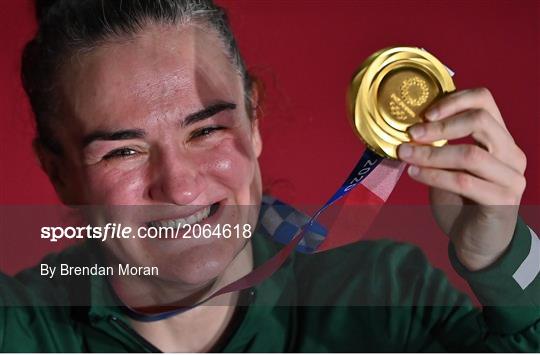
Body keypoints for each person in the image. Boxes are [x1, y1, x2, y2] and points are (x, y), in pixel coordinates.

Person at [1, 0, 538, 352]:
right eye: (123, 153)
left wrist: (503, 258)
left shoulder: (384, 299)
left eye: (206, 131)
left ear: (253, 118)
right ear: (59, 172)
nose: (182, 187)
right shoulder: (23, 331)